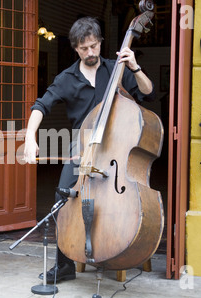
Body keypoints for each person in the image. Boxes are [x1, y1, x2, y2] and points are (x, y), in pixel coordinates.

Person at [23, 17, 156, 283]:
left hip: (118, 146)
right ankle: (64, 266)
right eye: (84, 49)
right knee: (62, 201)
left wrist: (135, 67)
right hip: (81, 149)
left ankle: (118, 250)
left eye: (94, 46)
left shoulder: (116, 69)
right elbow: (41, 106)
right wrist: (29, 136)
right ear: (76, 48)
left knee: (118, 203)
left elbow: (148, 93)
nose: (91, 52)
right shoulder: (67, 78)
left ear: (99, 43)